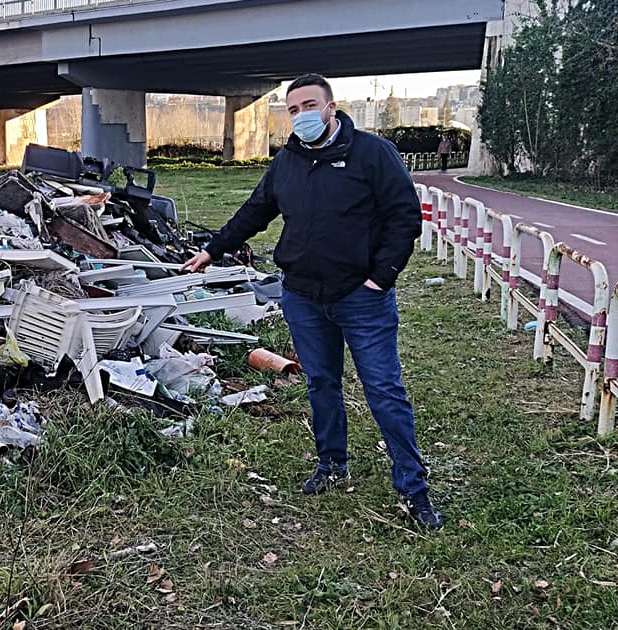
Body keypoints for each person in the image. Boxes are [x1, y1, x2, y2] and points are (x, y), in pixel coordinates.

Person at [182, 73, 443, 529]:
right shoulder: (288, 161)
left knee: (383, 390)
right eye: (293, 109)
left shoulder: (372, 154)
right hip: (302, 296)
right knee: (321, 383)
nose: (301, 115)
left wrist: (381, 278)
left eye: (309, 106)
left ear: (331, 107)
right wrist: (213, 249)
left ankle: (412, 487)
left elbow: (404, 216)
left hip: (362, 298)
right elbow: (256, 210)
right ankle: (331, 463)